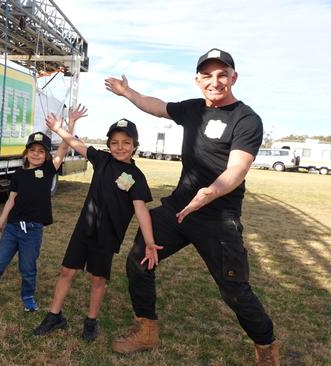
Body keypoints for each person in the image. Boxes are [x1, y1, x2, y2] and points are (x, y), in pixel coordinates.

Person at [104, 48, 280, 366]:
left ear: (233, 78)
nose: (215, 81)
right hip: (177, 209)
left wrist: (208, 194)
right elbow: (157, 107)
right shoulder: (194, 110)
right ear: (198, 81)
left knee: (234, 289)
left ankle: (266, 346)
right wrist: (128, 92)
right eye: (207, 75)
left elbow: (237, 170)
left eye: (222, 74)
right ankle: (146, 330)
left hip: (217, 217)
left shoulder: (246, 119)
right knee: (140, 257)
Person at [33, 113, 162, 342]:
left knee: (98, 279)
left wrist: (150, 241)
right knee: (66, 272)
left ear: (134, 146)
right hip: (84, 228)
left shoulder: (136, 177)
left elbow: (141, 210)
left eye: (126, 143)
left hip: (108, 236)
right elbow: (76, 144)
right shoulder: (102, 160)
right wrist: (58, 128)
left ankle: (91, 320)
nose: (120, 147)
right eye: (114, 142)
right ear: (109, 145)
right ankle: (54, 316)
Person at [0, 105, 87, 317]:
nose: (36, 154)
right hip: (12, 229)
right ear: (26, 153)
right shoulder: (17, 175)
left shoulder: (47, 170)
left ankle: (28, 296)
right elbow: (10, 201)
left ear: (46, 155)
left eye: (41, 151)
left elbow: (63, 148)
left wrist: (71, 123)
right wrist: (1, 222)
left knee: (28, 269)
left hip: (33, 231)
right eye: (32, 150)